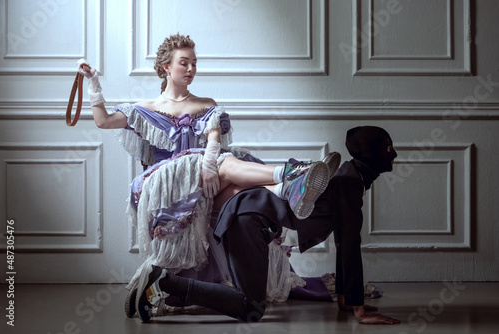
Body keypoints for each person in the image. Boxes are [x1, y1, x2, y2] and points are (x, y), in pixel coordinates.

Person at [76, 33, 341, 315]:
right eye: (183, 63)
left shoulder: (205, 103)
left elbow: (214, 139)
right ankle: (291, 177)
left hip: (206, 179)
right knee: (224, 164)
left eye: (194, 63)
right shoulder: (146, 109)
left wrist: (208, 163)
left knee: (242, 193)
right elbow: (103, 121)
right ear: (166, 67)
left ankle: (287, 192)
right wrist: (93, 82)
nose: (191, 69)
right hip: (169, 185)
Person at [135, 125, 401, 325]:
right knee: (250, 308)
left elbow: (345, 242)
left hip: (248, 216)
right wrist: (358, 309)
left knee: (248, 301)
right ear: (372, 154)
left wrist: (346, 300)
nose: (395, 154)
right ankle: (164, 282)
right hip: (249, 220)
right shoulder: (350, 183)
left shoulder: (349, 177)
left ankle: (294, 181)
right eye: (388, 148)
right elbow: (349, 243)